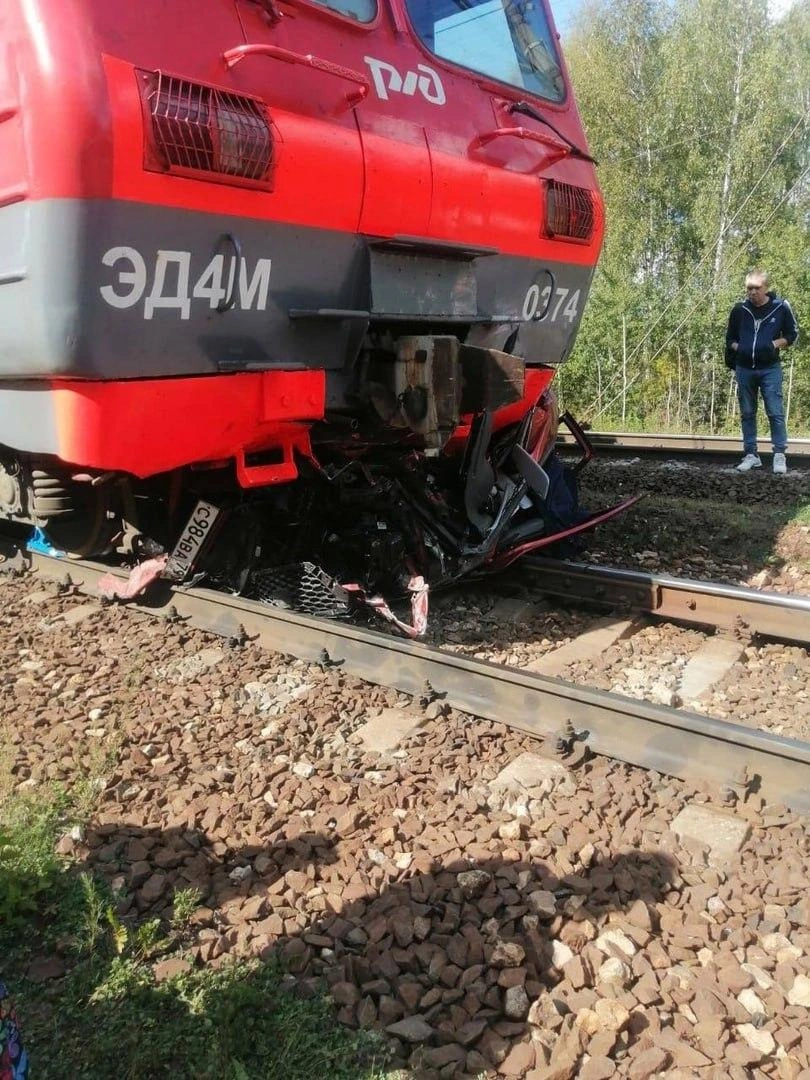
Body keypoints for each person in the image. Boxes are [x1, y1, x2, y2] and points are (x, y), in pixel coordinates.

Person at [725, 269, 798, 473]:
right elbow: (730, 339)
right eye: (749, 288)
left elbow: (792, 335)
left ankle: (779, 455)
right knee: (747, 413)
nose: (752, 292)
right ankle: (751, 455)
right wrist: (741, 348)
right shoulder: (739, 310)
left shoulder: (780, 308)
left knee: (775, 412)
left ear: (766, 288)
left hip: (770, 369)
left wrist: (773, 344)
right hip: (745, 369)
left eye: (757, 288)